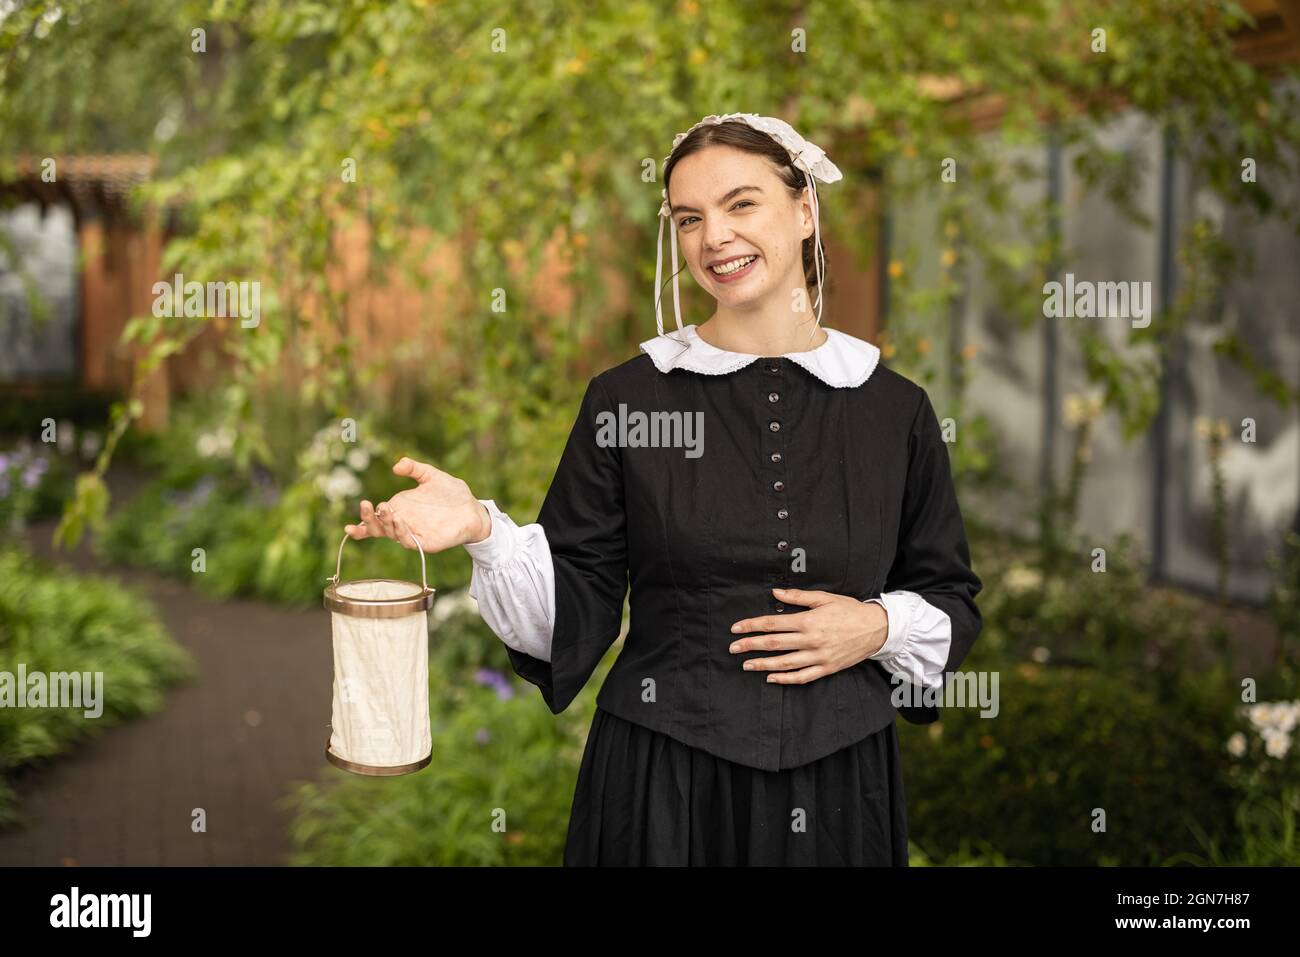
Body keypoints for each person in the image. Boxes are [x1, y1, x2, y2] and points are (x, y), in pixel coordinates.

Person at [344, 112, 983, 866]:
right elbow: (576, 607)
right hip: (661, 790)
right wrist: (483, 530)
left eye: (741, 203)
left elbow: (949, 595)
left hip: (841, 787)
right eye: (690, 217)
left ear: (804, 210)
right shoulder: (629, 401)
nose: (714, 236)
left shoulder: (894, 408)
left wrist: (876, 627)